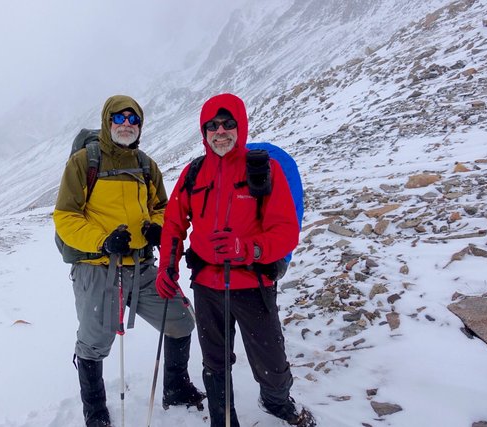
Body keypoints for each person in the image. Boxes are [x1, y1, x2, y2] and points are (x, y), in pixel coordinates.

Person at [156, 93, 315, 426]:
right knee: (214, 363)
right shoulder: (193, 173)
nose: (220, 131)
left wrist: (249, 248)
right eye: (212, 126)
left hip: (251, 282)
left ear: (240, 126)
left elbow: (285, 230)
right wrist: (167, 266)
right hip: (206, 284)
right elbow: (173, 222)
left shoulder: (263, 169)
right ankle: (223, 419)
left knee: (271, 363)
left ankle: (276, 400)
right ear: (204, 132)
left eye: (228, 124)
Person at [54, 95, 205, 427]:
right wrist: (103, 241)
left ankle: (176, 388)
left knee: (181, 321)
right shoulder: (84, 162)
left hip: (142, 267)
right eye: (119, 119)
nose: (126, 125)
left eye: (132, 120)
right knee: (94, 344)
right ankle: (95, 412)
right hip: (98, 269)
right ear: (108, 122)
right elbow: (65, 216)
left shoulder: (146, 165)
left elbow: (163, 207)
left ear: (140, 125)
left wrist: (158, 228)